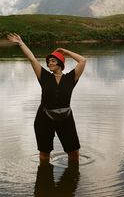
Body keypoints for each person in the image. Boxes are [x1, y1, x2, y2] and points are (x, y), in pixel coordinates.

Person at [7, 33, 86, 167]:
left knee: (74, 153)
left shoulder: (70, 78)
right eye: (48, 61)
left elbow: (82, 60)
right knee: (44, 154)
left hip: (66, 118)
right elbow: (32, 59)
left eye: (53, 60)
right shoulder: (44, 76)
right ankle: (44, 180)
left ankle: (72, 179)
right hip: (44, 118)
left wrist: (65, 51)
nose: (49, 62)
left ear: (60, 64)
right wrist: (21, 43)